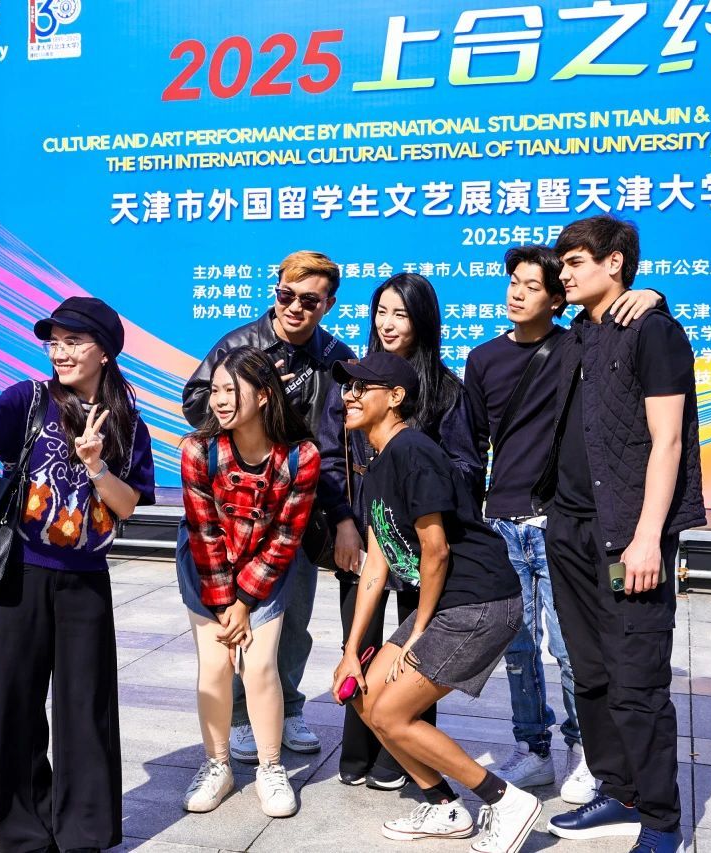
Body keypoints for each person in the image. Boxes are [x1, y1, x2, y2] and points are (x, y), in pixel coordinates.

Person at [0, 296, 156, 853]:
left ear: (105, 352)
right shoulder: (31, 398)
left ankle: (84, 832)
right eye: (54, 343)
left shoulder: (129, 424)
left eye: (74, 342)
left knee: (85, 708)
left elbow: (127, 506)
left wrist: (95, 464)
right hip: (19, 574)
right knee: (17, 705)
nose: (60, 353)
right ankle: (24, 834)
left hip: (86, 581)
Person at [464, 247, 664, 805]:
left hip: (559, 522)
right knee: (516, 646)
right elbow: (472, 444)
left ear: (557, 298)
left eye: (533, 285)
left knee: (573, 648)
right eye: (513, 281)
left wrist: (655, 297)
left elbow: (625, 322)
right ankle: (532, 749)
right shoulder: (483, 358)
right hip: (502, 523)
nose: (517, 292)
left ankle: (586, 752)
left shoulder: (576, 347)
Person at [532, 216, 704, 853]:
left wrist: (648, 537)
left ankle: (661, 819)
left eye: (575, 261)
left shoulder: (654, 332)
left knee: (637, 682)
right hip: (569, 530)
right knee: (591, 674)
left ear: (615, 264)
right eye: (562, 264)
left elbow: (668, 441)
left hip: (626, 537)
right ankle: (620, 789)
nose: (564, 273)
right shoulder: (580, 332)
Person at [330, 352, 541, 853]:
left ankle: (505, 801)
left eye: (361, 388)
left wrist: (417, 635)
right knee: (361, 694)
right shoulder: (377, 464)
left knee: (392, 714)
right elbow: (377, 566)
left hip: (478, 603)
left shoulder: (415, 452)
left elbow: (436, 549)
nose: (349, 396)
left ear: (395, 397)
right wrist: (350, 651)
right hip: (449, 604)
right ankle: (444, 806)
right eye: (347, 388)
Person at [182, 250, 358, 762]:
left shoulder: (336, 358)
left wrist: (344, 517)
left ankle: (289, 706)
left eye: (309, 300)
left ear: (328, 304)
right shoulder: (240, 345)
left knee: (292, 619)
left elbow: (338, 447)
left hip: (298, 507)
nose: (295, 307)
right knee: (234, 620)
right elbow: (195, 402)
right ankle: (241, 717)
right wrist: (249, 394)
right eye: (286, 295)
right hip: (234, 507)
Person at [318, 272, 481, 790]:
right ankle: (359, 750)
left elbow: (468, 467)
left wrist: (417, 482)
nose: (387, 324)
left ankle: (401, 758)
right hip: (362, 534)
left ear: (422, 321)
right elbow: (330, 459)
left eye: (401, 314)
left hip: (418, 541)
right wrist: (345, 521)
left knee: (415, 646)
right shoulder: (353, 380)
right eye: (381, 312)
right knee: (360, 638)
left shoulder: (446, 390)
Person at [176, 345, 320, 818]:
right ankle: (217, 765)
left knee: (259, 667)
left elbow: (286, 536)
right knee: (216, 665)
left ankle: (271, 767)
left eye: (230, 390)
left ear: (263, 395)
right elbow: (203, 531)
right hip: (206, 565)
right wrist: (225, 604)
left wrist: (244, 602)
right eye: (215, 390)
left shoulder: (300, 455)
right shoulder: (198, 450)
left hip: (266, 564)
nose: (219, 400)